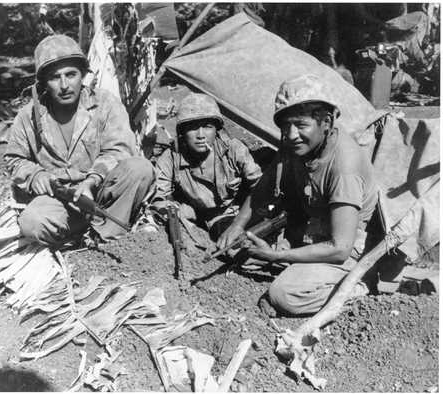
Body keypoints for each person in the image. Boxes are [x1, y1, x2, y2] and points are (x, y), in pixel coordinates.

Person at [217, 74, 380, 316]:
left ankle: (357, 285)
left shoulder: (344, 166)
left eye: (301, 125)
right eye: (285, 126)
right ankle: (293, 262)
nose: (291, 134)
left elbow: (340, 248)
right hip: (310, 229)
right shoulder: (296, 142)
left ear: (326, 122)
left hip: (344, 248)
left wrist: (276, 255)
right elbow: (266, 185)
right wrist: (237, 226)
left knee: (284, 295)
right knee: (236, 247)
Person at [4, 34, 154, 246]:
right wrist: (35, 175)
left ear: (82, 75)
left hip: (101, 194)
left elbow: (119, 150)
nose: (65, 85)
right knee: (32, 223)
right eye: (55, 77)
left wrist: (91, 181)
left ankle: (107, 234)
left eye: (71, 74)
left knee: (140, 168)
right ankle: (75, 232)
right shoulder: (28, 116)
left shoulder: (105, 104)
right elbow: (14, 158)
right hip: (58, 198)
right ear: (44, 82)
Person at [152, 93, 262, 238]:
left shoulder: (233, 149)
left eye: (207, 127)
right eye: (192, 128)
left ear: (217, 129)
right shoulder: (171, 158)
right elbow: (158, 197)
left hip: (246, 209)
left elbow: (260, 186)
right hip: (217, 219)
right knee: (232, 242)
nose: (200, 135)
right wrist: (178, 211)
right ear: (182, 132)